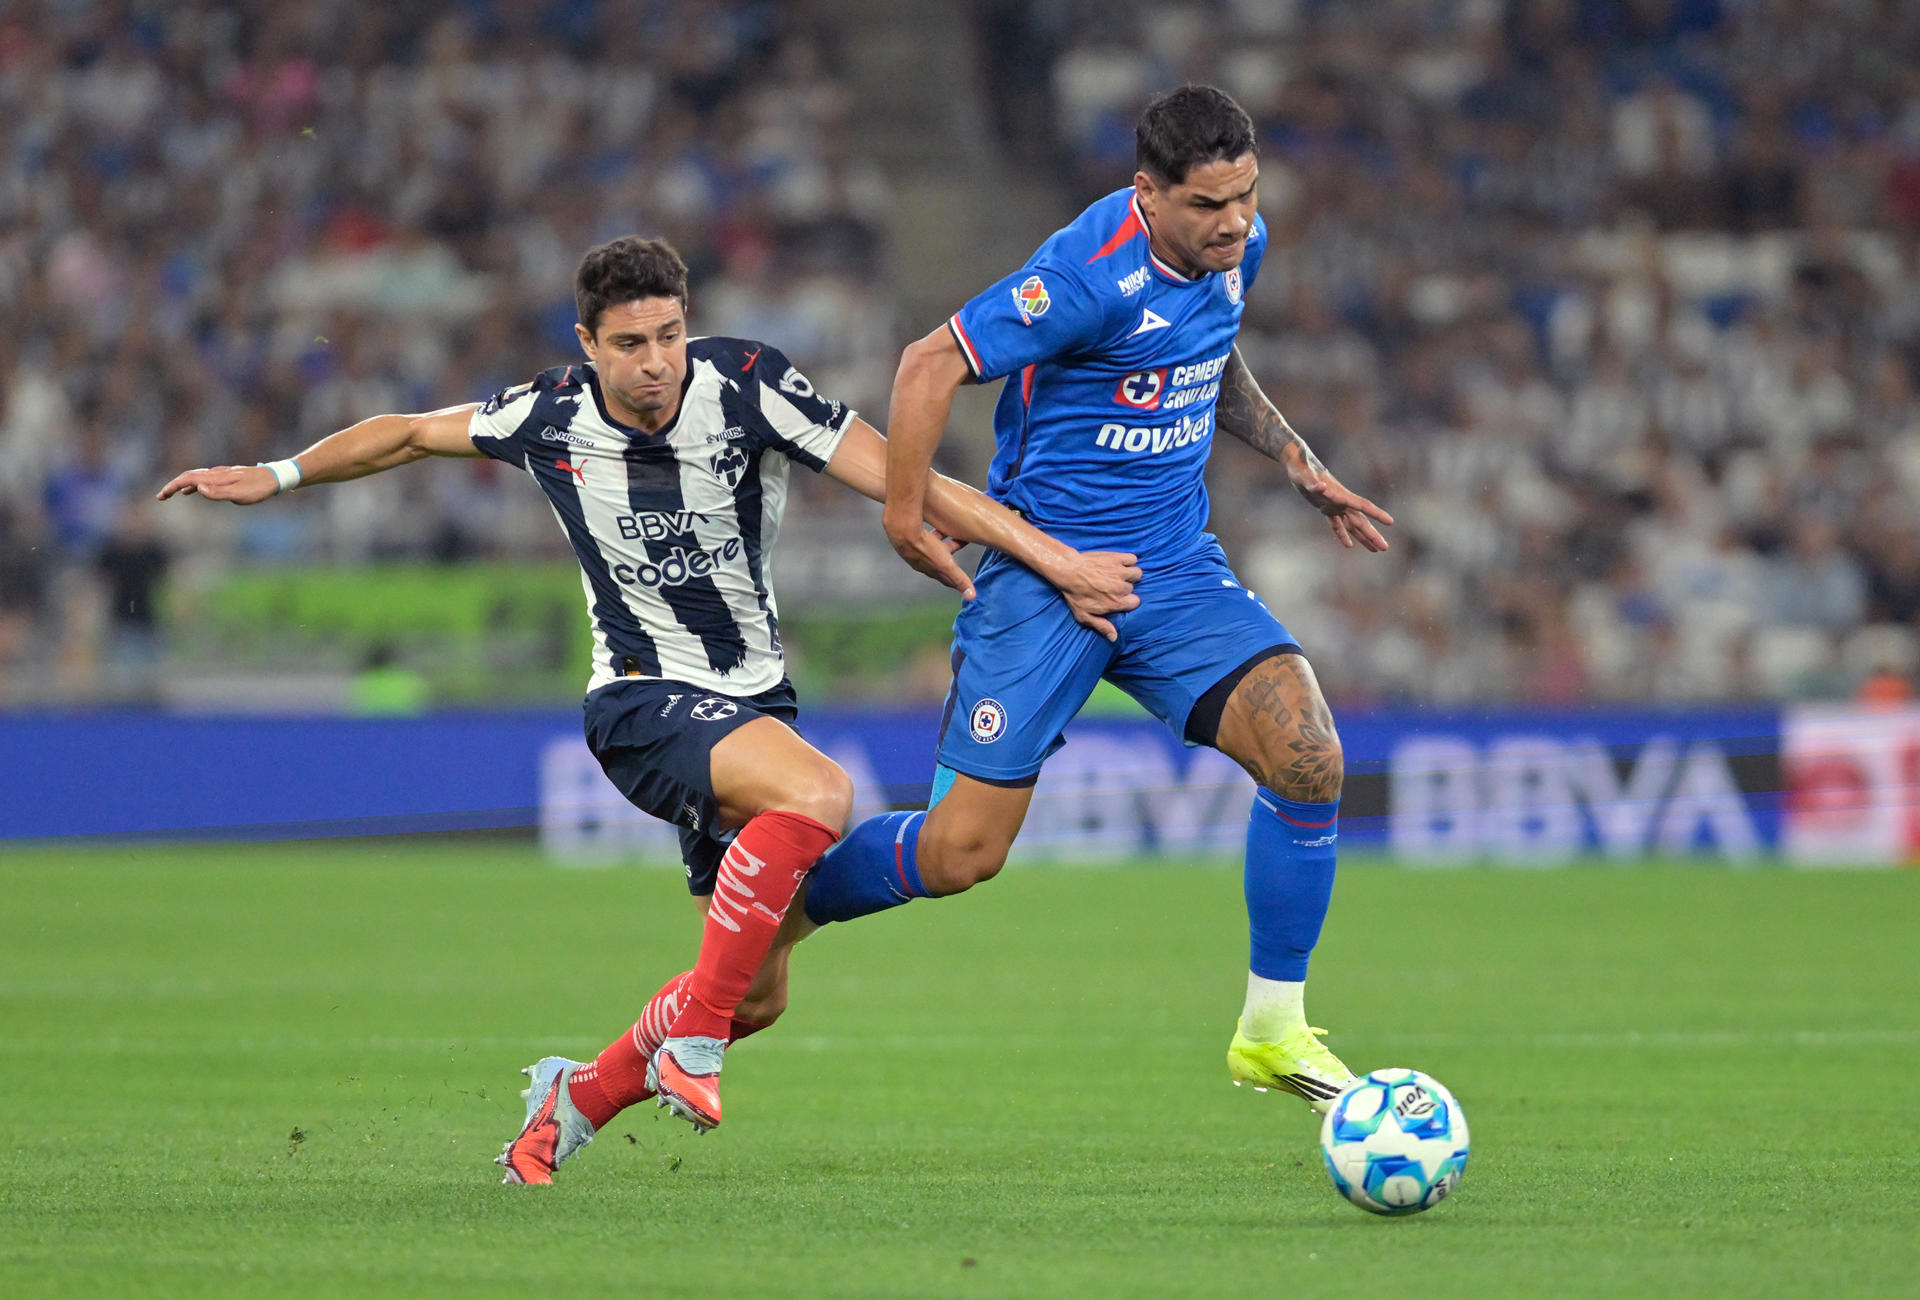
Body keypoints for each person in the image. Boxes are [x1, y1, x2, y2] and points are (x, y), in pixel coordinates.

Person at [158, 236, 1140, 1181]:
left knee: (755, 995)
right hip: (640, 698)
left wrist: (1053, 560)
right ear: (588, 345)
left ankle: (573, 1102)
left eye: (669, 334)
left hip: (754, 707)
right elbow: (409, 433)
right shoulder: (549, 415)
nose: (656, 361)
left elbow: (905, 477)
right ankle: (693, 1045)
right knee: (820, 797)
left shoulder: (748, 385)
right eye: (630, 343)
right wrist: (279, 475)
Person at [794, 86, 1395, 1113]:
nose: (1236, 223)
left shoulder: (1234, 247)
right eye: (1208, 205)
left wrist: (1295, 457)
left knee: (1308, 754)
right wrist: (903, 512)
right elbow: (926, 364)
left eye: (1246, 195)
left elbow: (1205, 350)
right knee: (960, 852)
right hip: (1045, 572)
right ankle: (782, 908)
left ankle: (1272, 1029)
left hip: (1172, 565)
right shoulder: (1084, 277)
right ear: (1148, 193)